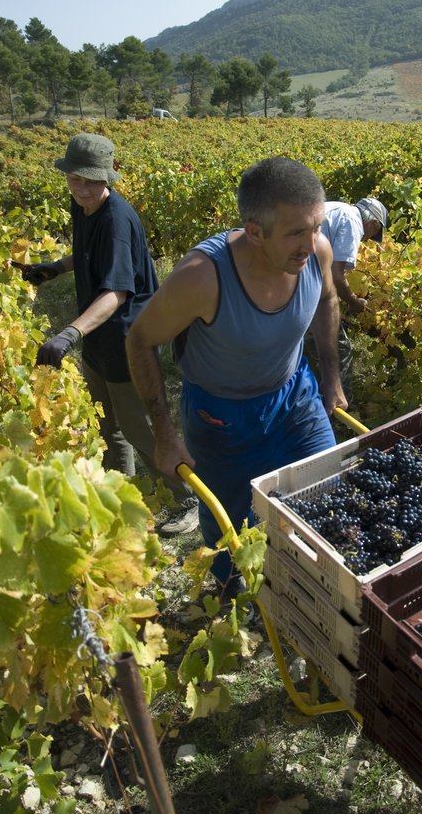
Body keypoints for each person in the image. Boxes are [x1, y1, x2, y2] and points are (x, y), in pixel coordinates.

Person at [125, 156, 346, 599]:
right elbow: (139, 341)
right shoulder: (202, 277)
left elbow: (327, 302)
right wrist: (165, 436)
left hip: (294, 397)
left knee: (326, 496)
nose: (311, 242)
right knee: (230, 527)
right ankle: (233, 603)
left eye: (316, 226)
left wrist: (330, 376)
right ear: (255, 231)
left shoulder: (317, 251)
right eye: (295, 232)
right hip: (221, 415)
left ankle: (311, 601)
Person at [20, 132, 199, 533]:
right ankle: (121, 491)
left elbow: (117, 292)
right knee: (107, 424)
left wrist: (69, 333)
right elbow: (86, 252)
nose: (81, 188)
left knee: (143, 428)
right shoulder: (84, 205)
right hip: (98, 336)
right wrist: (55, 268)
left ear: (107, 178)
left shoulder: (117, 219)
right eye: (74, 179)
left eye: (90, 180)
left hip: (126, 338)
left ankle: (189, 500)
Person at [307, 196, 388, 402]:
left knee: (305, 348)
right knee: (339, 349)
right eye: (372, 234)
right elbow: (335, 274)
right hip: (305, 288)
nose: (367, 239)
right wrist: (353, 301)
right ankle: (339, 409)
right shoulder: (352, 221)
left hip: (288, 280)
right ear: (372, 223)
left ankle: (310, 400)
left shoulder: (335, 209)